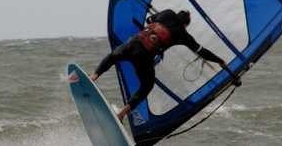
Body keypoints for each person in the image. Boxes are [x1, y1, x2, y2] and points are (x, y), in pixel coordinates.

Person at [90, 9, 239, 122]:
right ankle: (121, 114)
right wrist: (221, 61)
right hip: (144, 57)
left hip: (131, 45)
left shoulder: (167, 13)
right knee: (147, 86)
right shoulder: (183, 34)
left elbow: (149, 19)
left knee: (112, 56)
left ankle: (94, 75)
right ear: (186, 25)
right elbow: (202, 52)